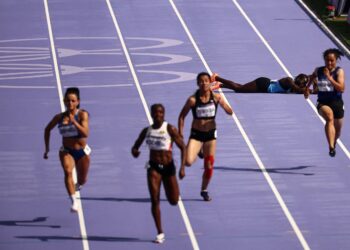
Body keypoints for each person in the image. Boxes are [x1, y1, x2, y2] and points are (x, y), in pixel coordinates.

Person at [131, 103, 186, 244]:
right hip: (154, 167)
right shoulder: (147, 131)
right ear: (151, 114)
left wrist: (182, 168)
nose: (158, 115)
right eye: (155, 112)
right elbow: (135, 147)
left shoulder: (170, 129)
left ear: (164, 114)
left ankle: (171, 193)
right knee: (155, 199)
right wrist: (135, 152)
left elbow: (183, 147)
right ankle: (160, 232)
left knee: (174, 200)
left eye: (161, 112)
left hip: (168, 167)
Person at [178, 72, 233, 201]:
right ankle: (199, 150)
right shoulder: (192, 100)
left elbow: (230, 111)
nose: (204, 83)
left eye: (206, 81)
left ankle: (204, 190)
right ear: (198, 83)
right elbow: (182, 116)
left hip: (210, 135)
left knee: (209, 165)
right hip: (196, 135)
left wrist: (225, 105)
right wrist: (180, 132)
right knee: (188, 162)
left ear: (210, 83)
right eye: (201, 81)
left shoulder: (216, 97)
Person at [44, 87, 91, 212]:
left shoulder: (82, 114)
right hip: (66, 151)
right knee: (68, 172)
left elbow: (85, 133)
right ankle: (74, 201)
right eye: (67, 101)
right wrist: (47, 148)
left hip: (82, 152)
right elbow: (47, 129)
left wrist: (74, 122)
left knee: (82, 180)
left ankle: (79, 185)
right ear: (64, 101)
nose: (70, 103)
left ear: (78, 102)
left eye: (73, 101)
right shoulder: (59, 117)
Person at [304, 48, 345, 157]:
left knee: (337, 132)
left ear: (336, 61)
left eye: (332, 61)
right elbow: (312, 77)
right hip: (322, 102)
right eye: (327, 60)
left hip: (337, 103)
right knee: (329, 117)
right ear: (324, 60)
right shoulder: (319, 70)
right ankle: (331, 147)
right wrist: (307, 88)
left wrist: (329, 77)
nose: (329, 63)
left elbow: (341, 88)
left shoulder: (339, 72)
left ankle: (334, 142)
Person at [210, 72, 317, 94]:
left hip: (264, 88)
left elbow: (311, 77)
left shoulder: (296, 83)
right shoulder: (289, 81)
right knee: (240, 88)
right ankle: (217, 77)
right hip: (263, 84)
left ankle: (221, 85)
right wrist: (309, 87)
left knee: (240, 88)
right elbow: (300, 90)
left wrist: (315, 83)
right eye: (304, 84)